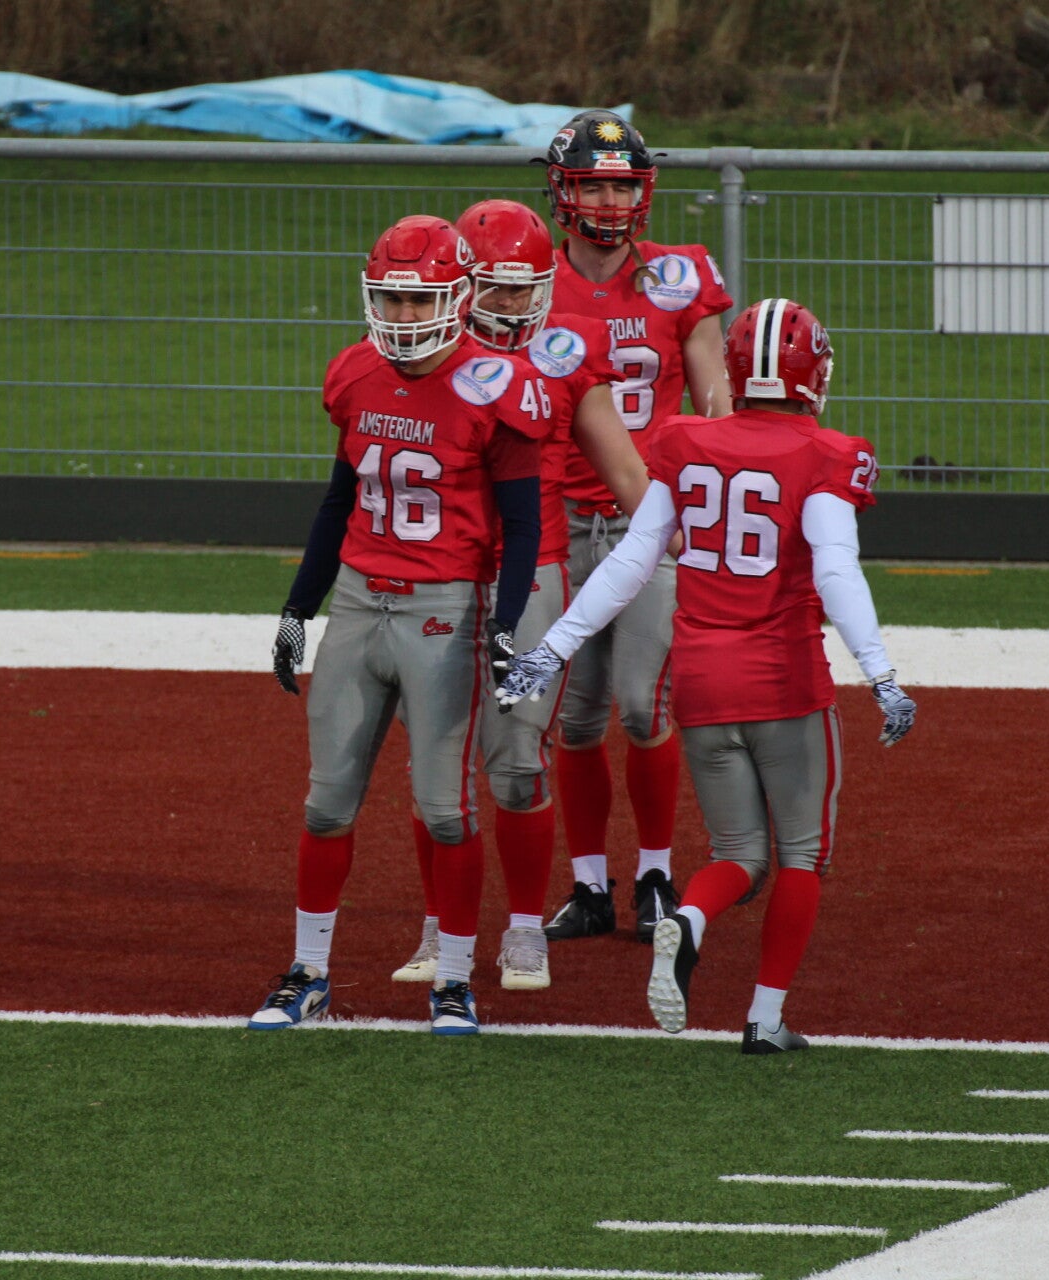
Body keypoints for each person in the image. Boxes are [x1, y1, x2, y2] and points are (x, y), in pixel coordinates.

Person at [496, 298, 918, 1053]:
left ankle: (688, 919)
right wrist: (882, 675)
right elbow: (835, 569)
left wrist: (552, 649)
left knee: (736, 857)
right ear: (814, 374)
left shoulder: (686, 438)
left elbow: (633, 559)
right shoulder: (828, 453)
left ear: (735, 368)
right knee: (801, 855)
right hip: (785, 682)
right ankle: (765, 1018)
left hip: (699, 682)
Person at [250, 213, 550, 1036]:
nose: (404, 316)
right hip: (357, 601)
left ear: (459, 298)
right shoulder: (355, 371)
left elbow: (523, 525)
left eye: (419, 302)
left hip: (444, 609)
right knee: (326, 804)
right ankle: (309, 972)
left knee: (446, 809)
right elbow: (336, 502)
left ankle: (453, 980)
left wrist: (505, 624)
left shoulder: (497, 384)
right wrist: (297, 609)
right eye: (391, 299)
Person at [390, 198, 654, 993]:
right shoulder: (419, 351)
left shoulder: (567, 353)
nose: (507, 304)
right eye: (493, 286)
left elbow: (626, 471)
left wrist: (692, 549)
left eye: (522, 287)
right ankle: (439, 925)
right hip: (438, 575)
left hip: (532, 573)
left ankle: (526, 930)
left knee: (516, 762)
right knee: (436, 764)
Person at [537, 109, 734, 947]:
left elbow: (716, 398)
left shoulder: (679, 277)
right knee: (575, 720)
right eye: (594, 186)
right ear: (562, 191)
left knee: (643, 707)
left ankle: (655, 871)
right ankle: (590, 885)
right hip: (558, 519)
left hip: (651, 525)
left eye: (623, 186)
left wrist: (718, 499)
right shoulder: (527, 281)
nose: (611, 203)